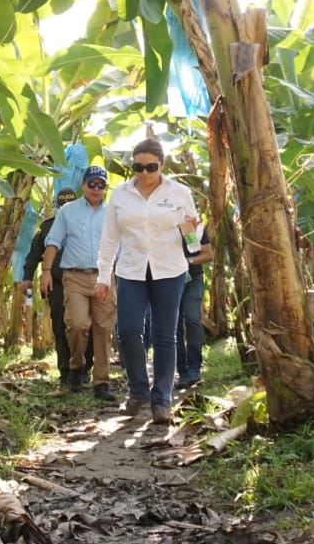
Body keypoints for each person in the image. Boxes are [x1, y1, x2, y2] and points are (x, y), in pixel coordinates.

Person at [94, 138, 198, 424]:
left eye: (151, 166)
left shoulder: (180, 192)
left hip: (169, 270)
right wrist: (103, 276)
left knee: (166, 335)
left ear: (162, 165)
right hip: (131, 270)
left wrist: (192, 229)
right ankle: (138, 390)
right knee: (127, 330)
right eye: (138, 166)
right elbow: (109, 238)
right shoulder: (121, 194)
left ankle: (161, 399)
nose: (144, 172)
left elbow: (194, 242)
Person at [42, 166, 115, 401]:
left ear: (105, 187)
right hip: (74, 276)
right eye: (91, 184)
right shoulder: (68, 211)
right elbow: (53, 241)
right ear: (83, 185)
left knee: (103, 328)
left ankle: (101, 382)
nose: (96, 188)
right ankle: (76, 365)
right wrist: (45, 271)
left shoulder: (113, 213)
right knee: (77, 324)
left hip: (104, 276)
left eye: (100, 185)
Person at [20, 187, 91, 388]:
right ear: (58, 205)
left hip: (83, 281)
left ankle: (86, 368)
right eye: (63, 203)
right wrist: (27, 278)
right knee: (61, 327)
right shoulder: (48, 226)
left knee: (85, 326)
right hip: (57, 285)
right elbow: (34, 254)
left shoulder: (86, 222)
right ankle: (65, 371)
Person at [177, 212, 212, 388]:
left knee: (192, 319)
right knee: (174, 325)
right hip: (169, 281)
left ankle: (194, 369)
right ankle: (182, 372)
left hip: (193, 279)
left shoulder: (190, 229)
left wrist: (186, 261)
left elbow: (207, 255)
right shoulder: (160, 229)